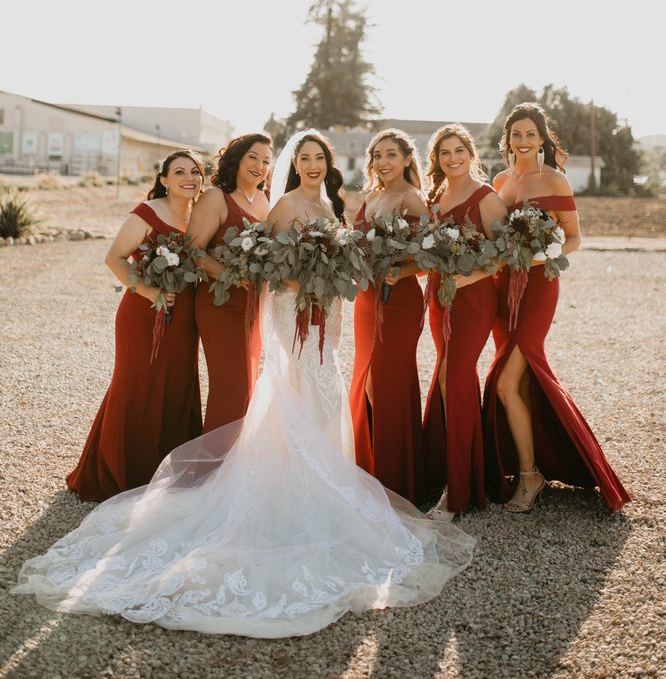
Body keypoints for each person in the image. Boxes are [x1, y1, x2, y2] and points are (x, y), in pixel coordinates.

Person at [14, 130, 474, 638]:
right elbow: (264, 263)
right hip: (282, 306)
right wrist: (283, 280)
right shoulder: (280, 204)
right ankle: (247, 484)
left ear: (328, 164)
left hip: (323, 310)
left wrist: (330, 275)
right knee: (285, 384)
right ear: (291, 164)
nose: (311, 164)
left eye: (318, 158)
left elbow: (332, 256)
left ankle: (321, 477)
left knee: (322, 384)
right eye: (302, 157)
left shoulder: (332, 204)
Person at [483, 102, 630, 512]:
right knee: (521, 383)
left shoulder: (556, 179)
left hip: (539, 285)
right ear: (507, 139)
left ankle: (529, 475)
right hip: (503, 287)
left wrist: (542, 255)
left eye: (530, 134)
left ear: (542, 139)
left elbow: (574, 238)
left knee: (506, 382)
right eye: (516, 134)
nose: (523, 141)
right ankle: (529, 465)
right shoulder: (500, 181)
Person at [66, 151, 205, 502]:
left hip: (184, 319)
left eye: (195, 171)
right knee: (136, 387)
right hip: (144, 313)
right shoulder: (147, 212)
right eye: (179, 172)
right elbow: (114, 258)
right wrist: (150, 291)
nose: (189, 177)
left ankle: (166, 472)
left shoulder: (201, 215)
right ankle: (121, 471)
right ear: (164, 179)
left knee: (176, 386)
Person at [422, 124, 506, 518]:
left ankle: (458, 492)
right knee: (446, 379)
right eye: (445, 153)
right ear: (437, 159)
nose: (452, 158)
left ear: (471, 154)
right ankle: (463, 474)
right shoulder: (436, 197)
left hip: (474, 299)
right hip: (442, 298)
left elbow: (506, 251)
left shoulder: (485, 196)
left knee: (454, 378)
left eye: (459, 151)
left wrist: (472, 276)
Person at [349, 128, 428, 504]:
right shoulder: (371, 196)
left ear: (407, 159)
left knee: (388, 382)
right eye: (377, 155)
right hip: (367, 300)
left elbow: (431, 254)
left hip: (399, 301)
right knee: (366, 380)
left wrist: (403, 270)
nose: (383, 162)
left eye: (391, 154)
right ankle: (369, 467)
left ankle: (397, 478)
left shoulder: (413, 198)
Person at [187, 134, 272, 432]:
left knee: (248, 382)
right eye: (253, 157)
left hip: (253, 304)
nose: (260, 165)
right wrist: (229, 274)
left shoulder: (266, 199)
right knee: (231, 386)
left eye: (266, 161)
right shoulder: (216, 197)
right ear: (237, 158)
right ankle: (216, 458)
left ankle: (239, 456)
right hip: (220, 303)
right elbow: (192, 250)